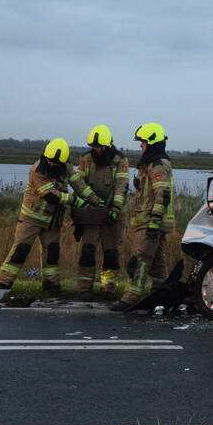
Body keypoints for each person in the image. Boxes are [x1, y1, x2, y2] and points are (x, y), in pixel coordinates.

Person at [0, 138, 101, 294]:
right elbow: (51, 195)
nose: (51, 164)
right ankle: (3, 285)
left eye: (55, 163)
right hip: (31, 219)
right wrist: (75, 200)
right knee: (20, 251)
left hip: (52, 221)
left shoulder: (66, 167)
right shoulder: (37, 170)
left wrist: (95, 201)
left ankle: (51, 285)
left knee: (52, 253)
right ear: (45, 155)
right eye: (50, 161)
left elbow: (79, 185)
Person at [110, 122, 175, 311]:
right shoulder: (150, 164)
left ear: (152, 143)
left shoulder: (158, 165)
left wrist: (155, 220)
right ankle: (161, 294)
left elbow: (162, 194)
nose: (141, 145)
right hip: (150, 220)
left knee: (139, 259)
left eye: (143, 142)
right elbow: (151, 192)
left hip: (150, 221)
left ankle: (131, 297)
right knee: (157, 263)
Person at [74, 124, 130, 298]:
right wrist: (82, 207)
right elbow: (79, 183)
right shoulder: (85, 158)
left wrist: (115, 208)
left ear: (107, 145)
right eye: (94, 147)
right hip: (91, 213)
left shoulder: (120, 160)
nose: (96, 150)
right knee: (88, 250)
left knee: (111, 252)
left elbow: (121, 186)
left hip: (112, 214)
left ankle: (108, 288)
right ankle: (84, 288)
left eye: (99, 147)